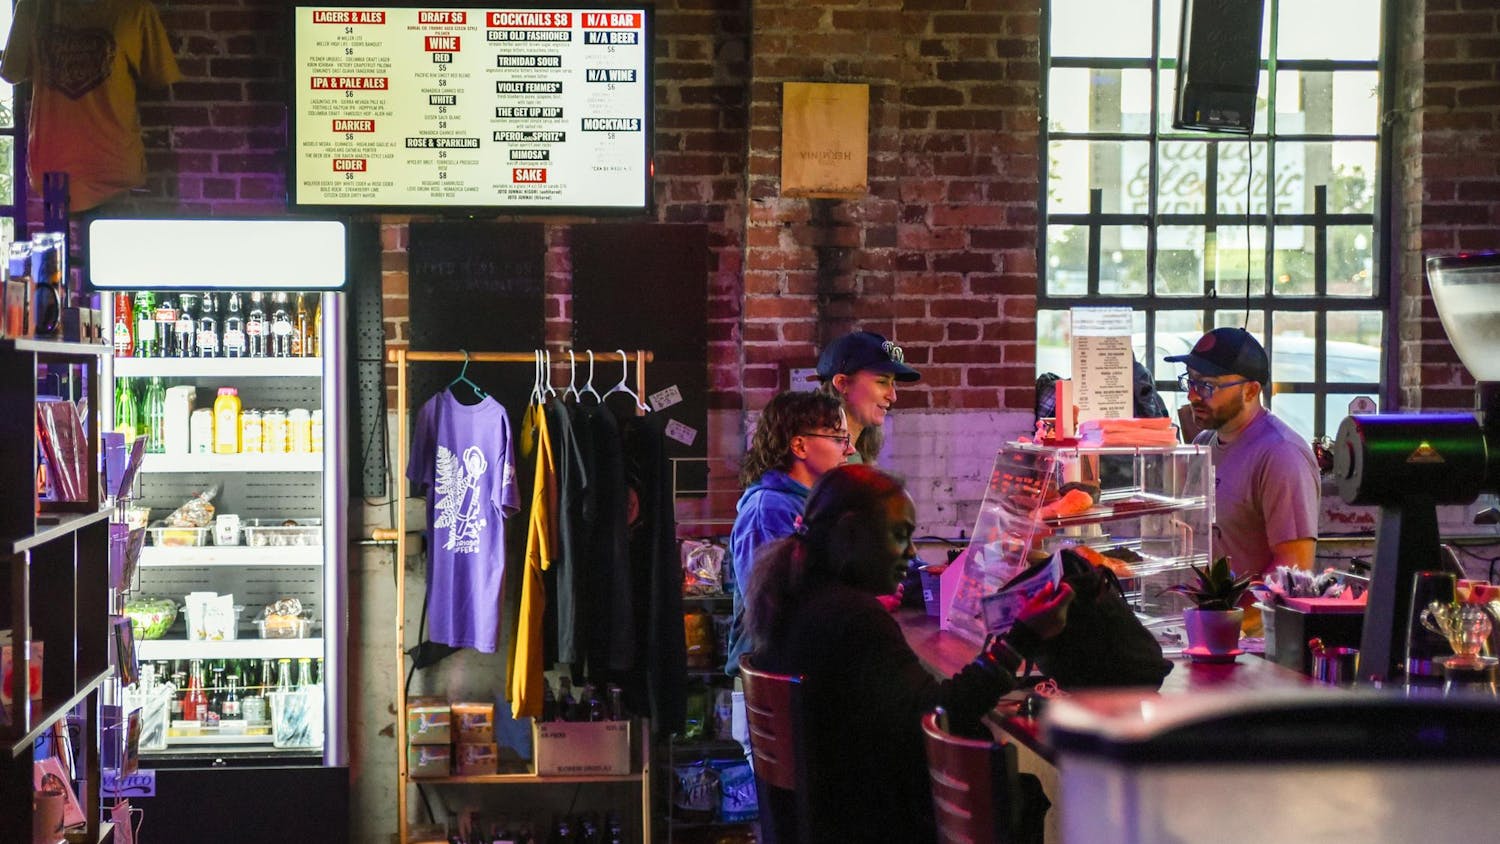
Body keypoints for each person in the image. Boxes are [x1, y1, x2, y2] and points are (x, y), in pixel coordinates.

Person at [745, 464, 1073, 844]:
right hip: (871, 824)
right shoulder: (853, 618)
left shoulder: (796, 602)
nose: (912, 552)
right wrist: (1020, 640)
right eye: (900, 535)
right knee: (1020, 792)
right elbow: (938, 714)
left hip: (830, 818)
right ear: (853, 534)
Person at [1165, 327, 1319, 576]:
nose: (1193, 396)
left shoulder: (1281, 455)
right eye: (1191, 381)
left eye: (1207, 385)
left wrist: (1235, 616)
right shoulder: (1204, 444)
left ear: (1250, 390)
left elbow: (1294, 568)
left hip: (1245, 615)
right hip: (1202, 613)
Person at [724, 390, 854, 675]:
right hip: (775, 676)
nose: (850, 449)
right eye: (839, 438)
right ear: (799, 445)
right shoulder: (768, 509)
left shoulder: (813, 504)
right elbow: (772, 609)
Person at [816, 330, 920, 465]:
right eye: (882, 382)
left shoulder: (853, 457)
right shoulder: (824, 463)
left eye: (892, 383)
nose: (893, 397)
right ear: (843, 384)